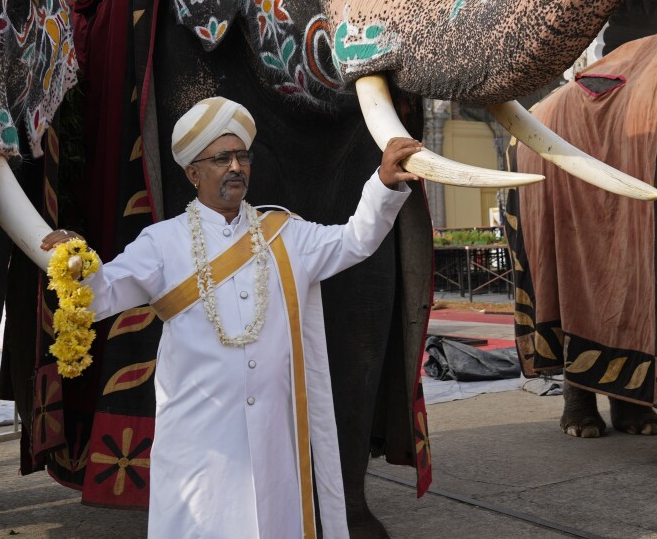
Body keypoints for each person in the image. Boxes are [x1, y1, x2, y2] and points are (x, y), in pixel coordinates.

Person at [41, 97, 420, 538]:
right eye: (222, 158)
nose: (236, 167)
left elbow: (354, 241)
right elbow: (103, 294)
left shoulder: (285, 232)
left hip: (275, 437)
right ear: (193, 172)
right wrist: (74, 260)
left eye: (242, 156)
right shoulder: (162, 242)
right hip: (200, 444)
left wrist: (383, 184)